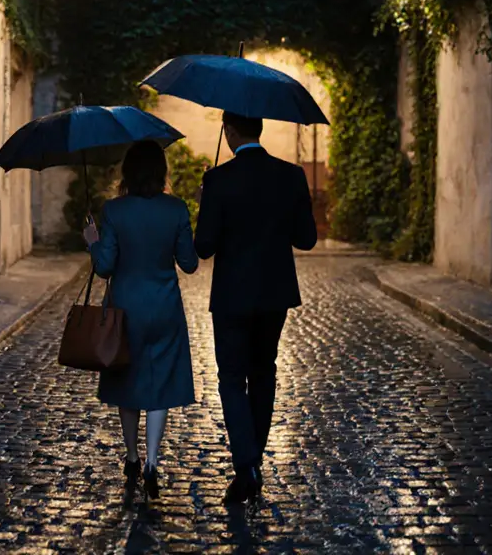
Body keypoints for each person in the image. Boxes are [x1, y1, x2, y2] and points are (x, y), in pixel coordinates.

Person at [194, 111, 318, 506]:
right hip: (273, 295)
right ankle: (254, 460)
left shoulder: (217, 180)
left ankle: (245, 466)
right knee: (264, 372)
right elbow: (307, 239)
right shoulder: (291, 175)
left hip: (231, 297)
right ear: (259, 129)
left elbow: (204, 247)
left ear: (229, 132)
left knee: (231, 378)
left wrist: (207, 203)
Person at [82, 140, 199, 500]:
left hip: (125, 310)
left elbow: (104, 267)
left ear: (128, 172)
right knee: (160, 383)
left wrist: (92, 239)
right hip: (164, 308)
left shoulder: (114, 211)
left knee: (126, 382)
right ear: (161, 171)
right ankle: (151, 462)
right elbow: (190, 264)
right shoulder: (177, 208)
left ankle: (131, 457)